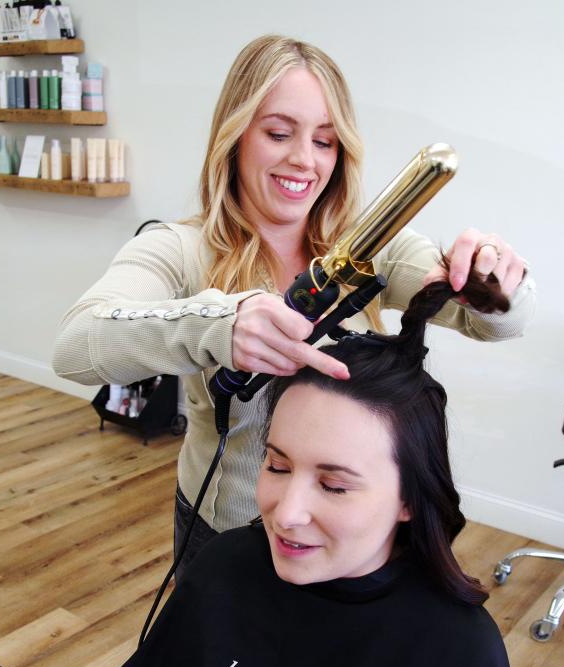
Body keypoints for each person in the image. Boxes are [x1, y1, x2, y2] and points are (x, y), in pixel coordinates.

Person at [0, 274, 542, 667]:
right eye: (276, 466)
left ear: (410, 497)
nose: (286, 513)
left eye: (334, 486)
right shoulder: (225, 570)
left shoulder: (456, 658)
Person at [52, 35, 536, 572]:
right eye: (279, 133)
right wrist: (219, 325)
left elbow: (498, 325)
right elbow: (76, 346)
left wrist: (495, 281)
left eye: (326, 142)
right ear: (234, 136)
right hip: (227, 530)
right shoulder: (178, 250)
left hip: (345, 540)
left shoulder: (371, 247)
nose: (304, 160)